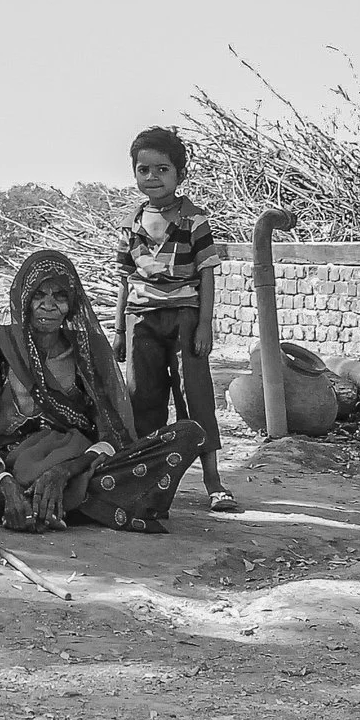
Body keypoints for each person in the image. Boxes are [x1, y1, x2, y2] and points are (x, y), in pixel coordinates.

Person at [0, 249, 205, 533]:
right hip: (7, 459)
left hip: (80, 467)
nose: (47, 306)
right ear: (24, 298)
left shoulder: (88, 352)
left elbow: (109, 436)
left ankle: (26, 503)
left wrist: (62, 472)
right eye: (38, 295)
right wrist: (4, 481)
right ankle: (24, 501)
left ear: (71, 304)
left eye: (59, 296)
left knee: (187, 434)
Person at [111, 125, 238, 513]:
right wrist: (118, 330)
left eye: (162, 169)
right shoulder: (130, 224)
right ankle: (146, 480)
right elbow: (124, 280)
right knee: (143, 400)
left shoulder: (193, 220)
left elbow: (207, 274)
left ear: (179, 175)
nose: (152, 177)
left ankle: (214, 481)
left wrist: (204, 325)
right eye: (143, 170)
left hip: (183, 318)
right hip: (140, 321)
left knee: (194, 398)